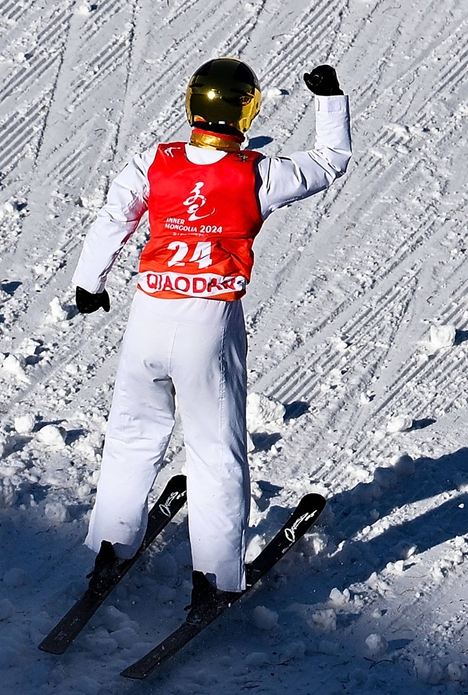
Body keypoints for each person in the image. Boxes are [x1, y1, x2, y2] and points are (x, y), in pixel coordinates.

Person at [70, 57, 351, 595]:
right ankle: (217, 576)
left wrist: (91, 281)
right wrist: (329, 99)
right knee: (214, 449)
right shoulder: (255, 175)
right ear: (248, 110)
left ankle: (111, 544)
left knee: (132, 433)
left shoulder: (155, 160)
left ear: (191, 103)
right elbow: (330, 160)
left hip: (149, 316)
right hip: (209, 322)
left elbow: (116, 214)